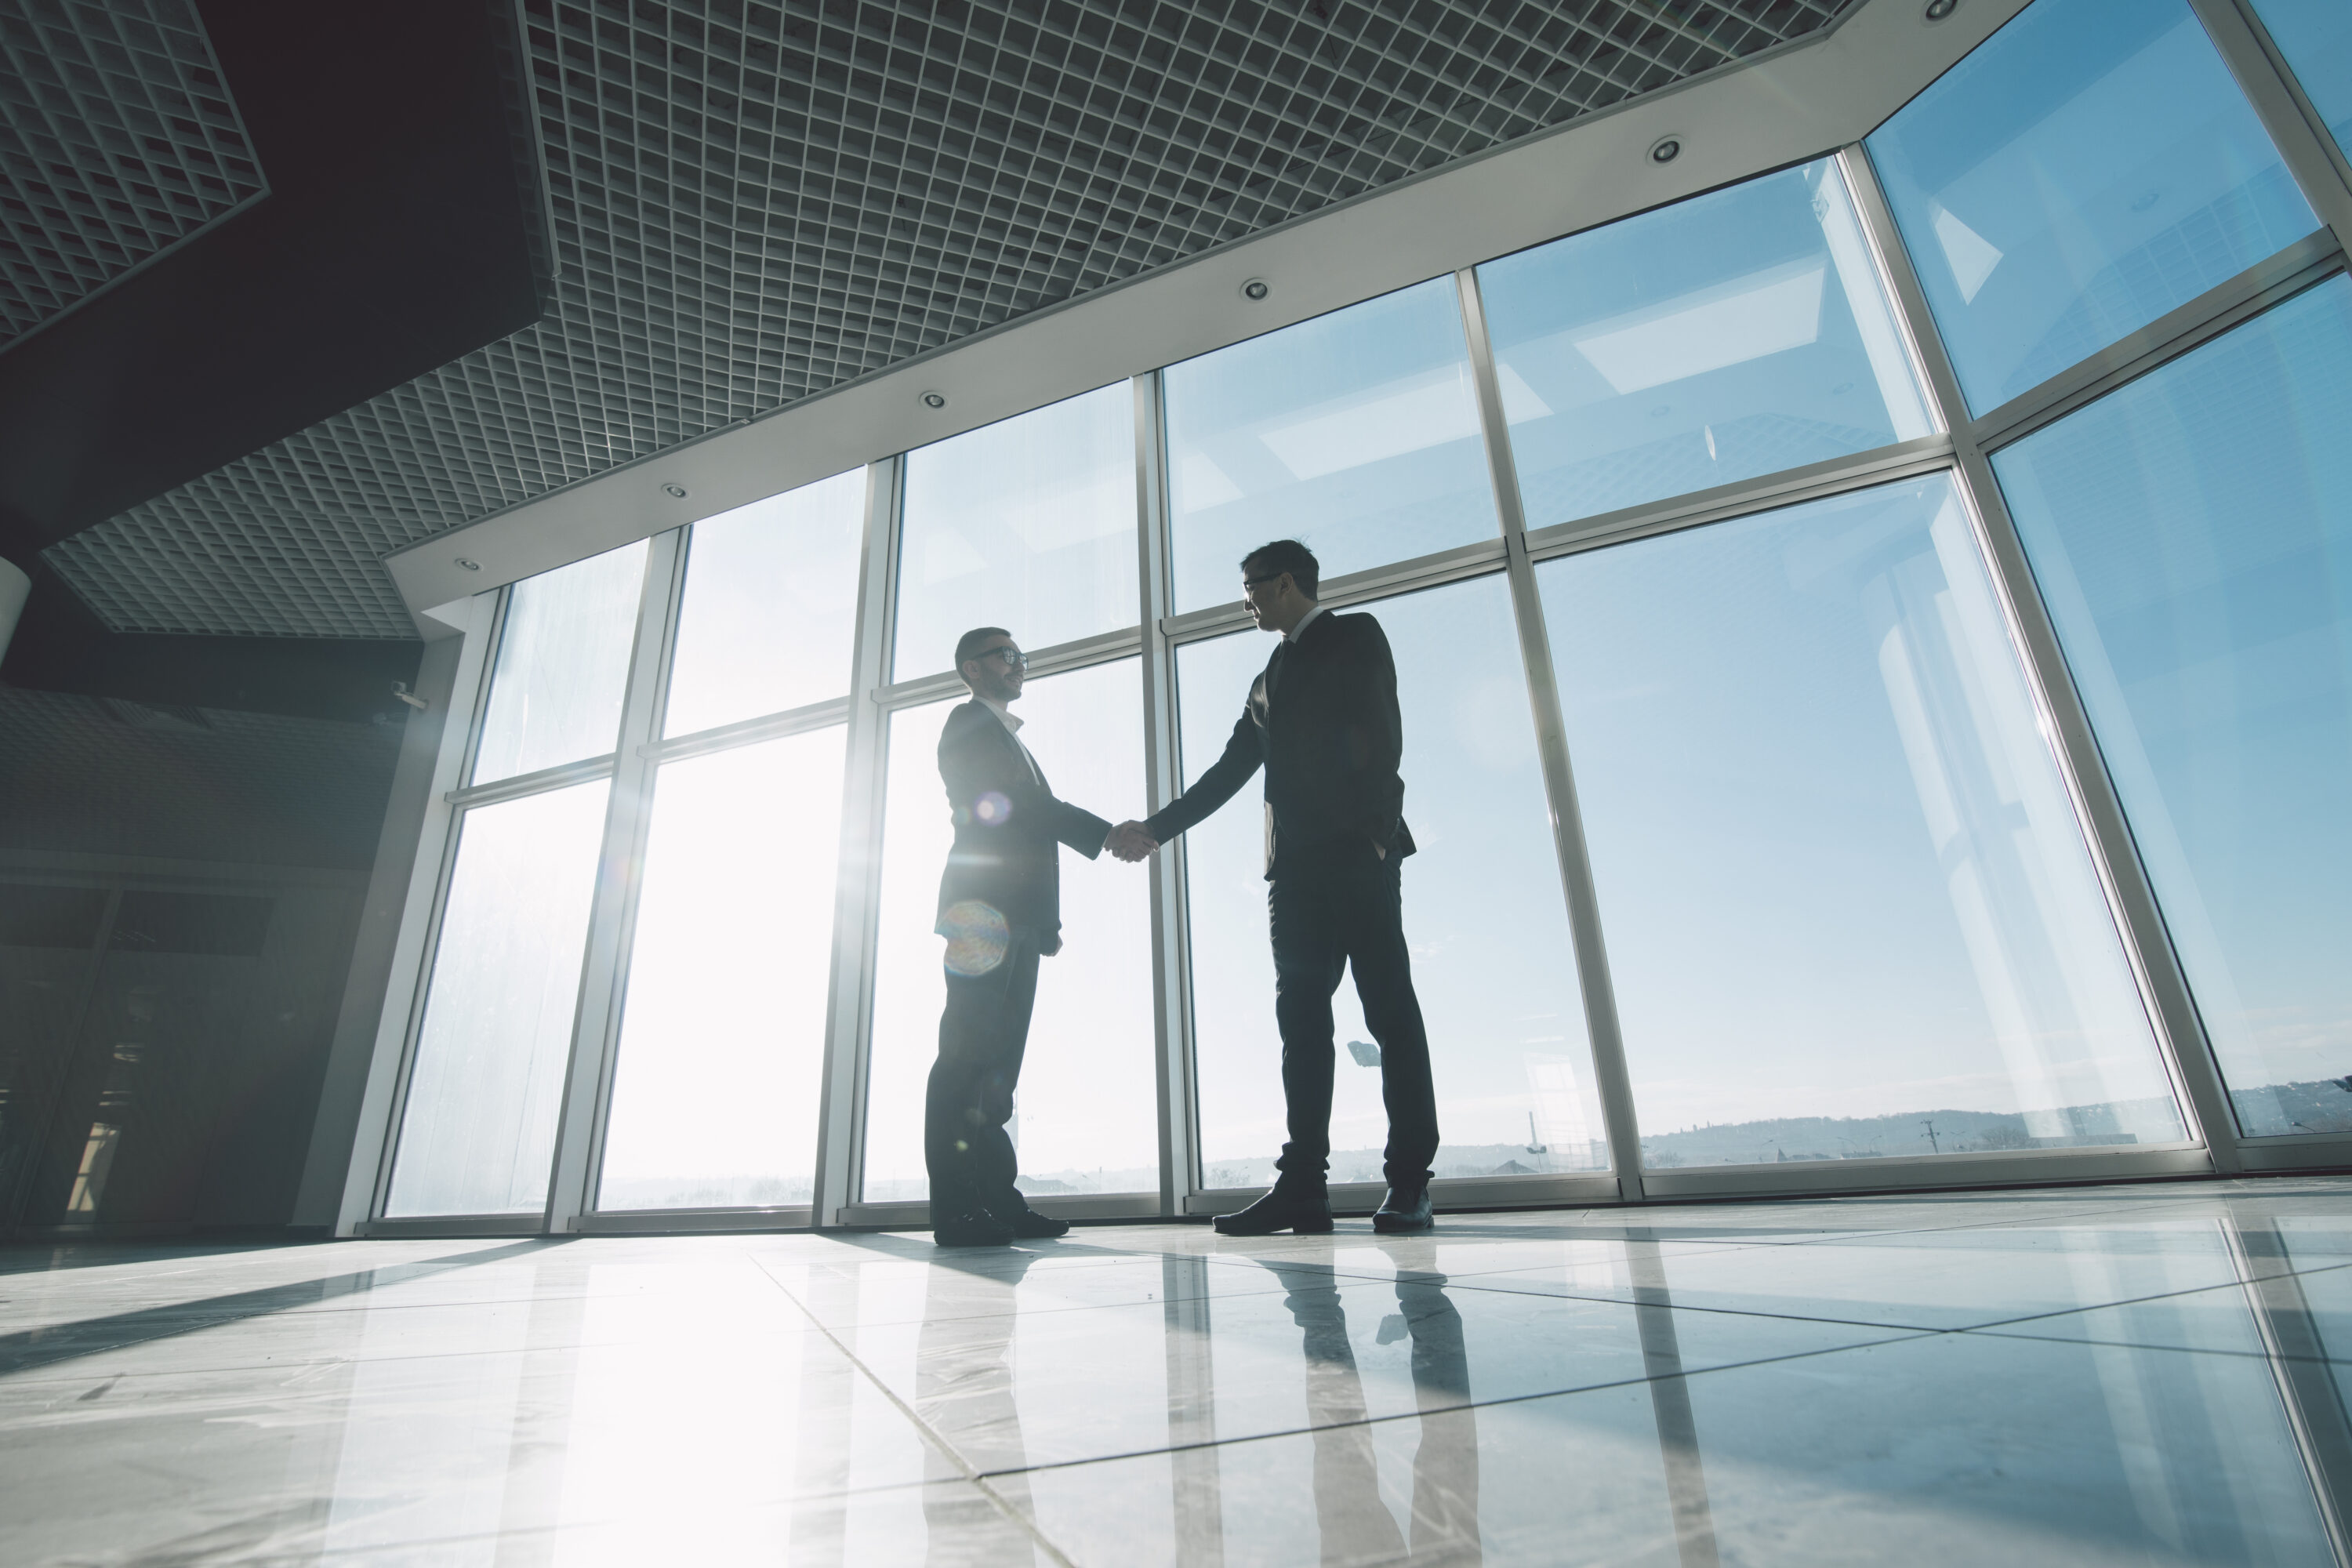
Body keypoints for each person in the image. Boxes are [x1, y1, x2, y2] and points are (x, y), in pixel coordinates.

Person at [1108, 539, 1437, 1235]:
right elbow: (1230, 769)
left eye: (1252, 588)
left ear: (1285, 582)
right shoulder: (1268, 677)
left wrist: (1373, 839)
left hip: (1357, 858)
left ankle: (1409, 1183)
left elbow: (1385, 735)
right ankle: (1303, 1189)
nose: (1247, 601)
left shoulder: (1355, 635)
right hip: (1292, 877)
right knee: (1302, 1026)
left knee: (1390, 1016)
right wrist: (1156, 829)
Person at [928, 626, 1152, 1247]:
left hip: (1015, 918)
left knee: (998, 1070)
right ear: (972, 669)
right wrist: (1107, 832)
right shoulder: (967, 724)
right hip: (982, 913)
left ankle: (997, 1202)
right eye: (1007, 656)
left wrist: (1043, 925)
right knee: (966, 1063)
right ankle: (957, 1210)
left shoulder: (1007, 737)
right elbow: (1014, 808)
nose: (1018, 665)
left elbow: (1024, 826)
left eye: (1020, 656)